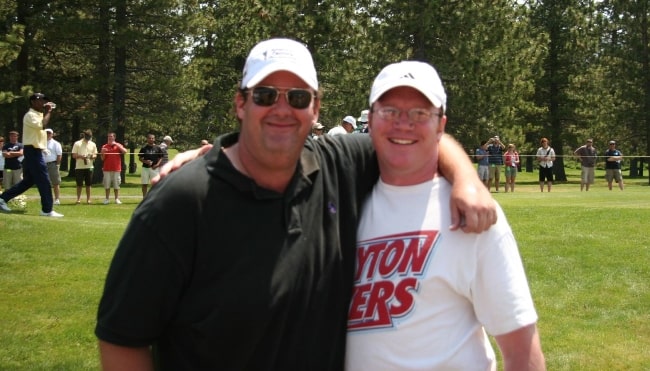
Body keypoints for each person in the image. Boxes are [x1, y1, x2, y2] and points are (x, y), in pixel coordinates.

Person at [96, 38, 496, 370]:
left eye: (298, 96)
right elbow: (121, 340)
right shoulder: (180, 203)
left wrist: (467, 179)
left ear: (316, 108)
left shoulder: (339, 165)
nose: (282, 109)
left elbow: (414, 133)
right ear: (241, 103)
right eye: (266, 95)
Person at [344, 60, 545, 371]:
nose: (404, 123)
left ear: (441, 125)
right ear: (370, 120)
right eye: (390, 111)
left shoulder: (474, 214)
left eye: (420, 113)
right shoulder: (345, 202)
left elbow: (522, 351)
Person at [0, 93, 63, 217]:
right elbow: (42, 125)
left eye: (44, 100)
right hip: (32, 151)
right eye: (40, 100)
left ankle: (2, 199)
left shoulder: (38, 114)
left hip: (36, 150)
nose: (43, 103)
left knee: (28, 181)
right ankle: (47, 210)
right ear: (33, 102)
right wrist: (49, 111)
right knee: (44, 180)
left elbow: (39, 134)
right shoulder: (30, 115)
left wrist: (43, 148)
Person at [72, 129, 98, 204]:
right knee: (79, 184)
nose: (88, 137)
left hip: (89, 166)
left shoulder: (93, 144)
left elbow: (95, 154)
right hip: (79, 167)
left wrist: (92, 156)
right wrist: (81, 156)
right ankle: (78, 199)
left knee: (88, 184)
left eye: (89, 136)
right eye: (87, 136)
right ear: (84, 135)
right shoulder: (77, 143)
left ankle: (88, 199)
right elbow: (74, 155)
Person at [101, 132, 127, 204]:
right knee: (107, 184)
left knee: (116, 184)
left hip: (116, 168)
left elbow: (125, 151)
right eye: (108, 136)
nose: (110, 138)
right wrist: (103, 153)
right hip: (107, 168)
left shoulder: (118, 145)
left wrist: (117, 145)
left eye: (111, 136)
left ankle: (116, 199)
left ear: (114, 137)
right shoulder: (104, 146)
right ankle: (107, 199)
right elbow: (102, 159)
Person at [44, 128, 63, 205]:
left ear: (52, 134)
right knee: (44, 182)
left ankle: (57, 199)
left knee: (55, 182)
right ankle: (46, 198)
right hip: (43, 164)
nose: (48, 134)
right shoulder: (40, 143)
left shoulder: (56, 143)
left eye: (49, 133)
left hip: (52, 164)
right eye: (46, 133)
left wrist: (57, 164)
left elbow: (59, 155)